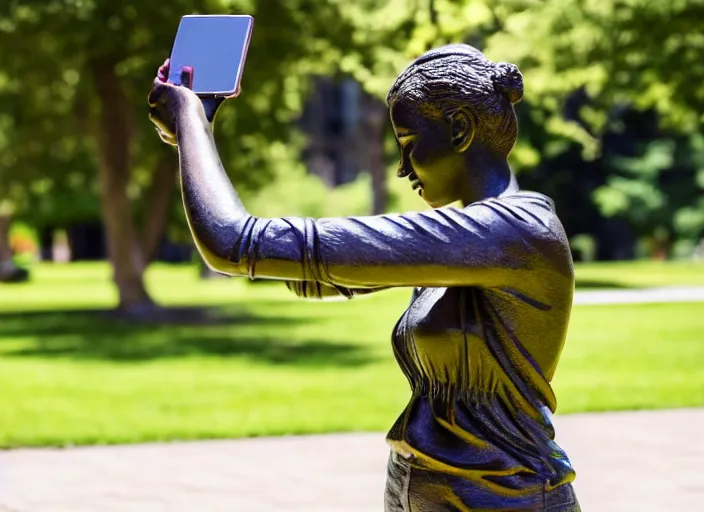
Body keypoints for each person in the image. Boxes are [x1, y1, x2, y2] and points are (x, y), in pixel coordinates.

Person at [148, 43, 580, 512]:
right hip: (426, 488)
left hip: (503, 500)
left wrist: (191, 123)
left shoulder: (513, 233)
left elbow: (234, 243)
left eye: (410, 143)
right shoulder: (461, 244)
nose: (402, 167)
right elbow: (308, 273)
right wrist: (197, 128)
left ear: (459, 128)